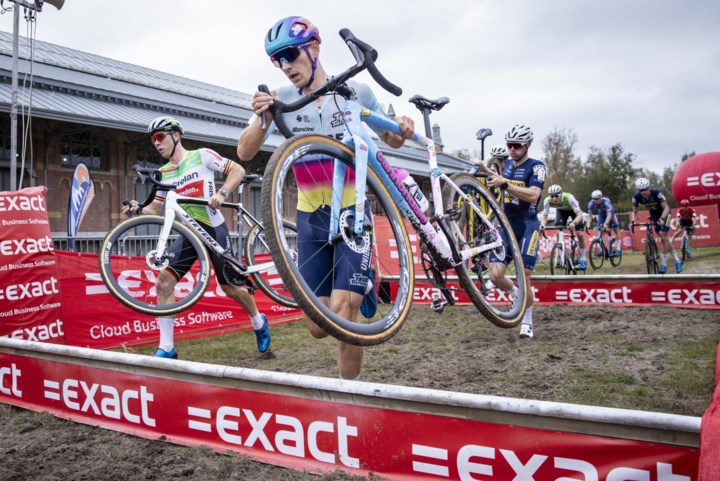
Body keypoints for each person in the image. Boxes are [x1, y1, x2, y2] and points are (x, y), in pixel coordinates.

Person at [236, 16, 415, 380]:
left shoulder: (356, 92)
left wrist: (404, 125)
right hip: (310, 218)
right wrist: (261, 119)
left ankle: (351, 397)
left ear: (314, 48)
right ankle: (364, 284)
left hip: (353, 212)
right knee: (318, 325)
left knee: (343, 313)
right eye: (277, 60)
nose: (285, 66)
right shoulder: (281, 100)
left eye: (290, 54)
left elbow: (391, 138)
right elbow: (243, 151)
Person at [122, 116, 271, 359]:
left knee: (230, 288)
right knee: (163, 282)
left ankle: (258, 322)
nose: (157, 143)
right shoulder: (163, 173)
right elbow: (154, 209)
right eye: (153, 140)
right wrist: (138, 209)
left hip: (213, 228)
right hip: (189, 234)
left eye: (160, 137)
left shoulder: (201, 155)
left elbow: (238, 169)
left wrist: (222, 193)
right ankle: (167, 347)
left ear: (176, 135)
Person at [477, 124, 545, 339]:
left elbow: (533, 195)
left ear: (528, 145)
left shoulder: (537, 167)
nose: (512, 149)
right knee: (496, 276)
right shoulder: (507, 166)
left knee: (524, 276)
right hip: (506, 226)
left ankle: (527, 320)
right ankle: (517, 296)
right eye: (509, 145)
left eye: (517, 146)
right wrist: (486, 170)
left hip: (527, 226)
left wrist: (504, 184)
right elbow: (501, 181)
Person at [630, 177, 682, 273]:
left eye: (645, 189)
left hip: (666, 214)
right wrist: (633, 221)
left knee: (663, 235)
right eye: (641, 190)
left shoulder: (656, 193)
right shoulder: (636, 197)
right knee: (664, 239)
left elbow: (666, 207)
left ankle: (664, 264)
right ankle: (678, 261)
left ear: (649, 188)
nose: (643, 192)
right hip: (654, 216)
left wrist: (662, 218)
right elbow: (635, 212)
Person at [540, 185, 587, 269]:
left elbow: (579, 214)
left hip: (574, 212)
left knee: (580, 234)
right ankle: (560, 257)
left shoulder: (569, 198)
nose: (554, 198)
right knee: (558, 232)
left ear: (561, 194)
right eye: (552, 196)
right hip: (561, 212)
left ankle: (583, 259)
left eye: (556, 196)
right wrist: (543, 225)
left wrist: (574, 222)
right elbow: (544, 216)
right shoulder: (547, 201)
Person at [587, 190, 622, 257]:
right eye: (594, 199)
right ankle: (602, 250)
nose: (595, 201)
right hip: (601, 214)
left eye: (597, 199)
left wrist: (606, 224)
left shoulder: (606, 201)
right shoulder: (591, 203)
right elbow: (589, 216)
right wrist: (588, 225)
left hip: (610, 213)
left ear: (600, 198)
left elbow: (609, 215)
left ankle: (618, 249)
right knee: (600, 231)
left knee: (616, 229)